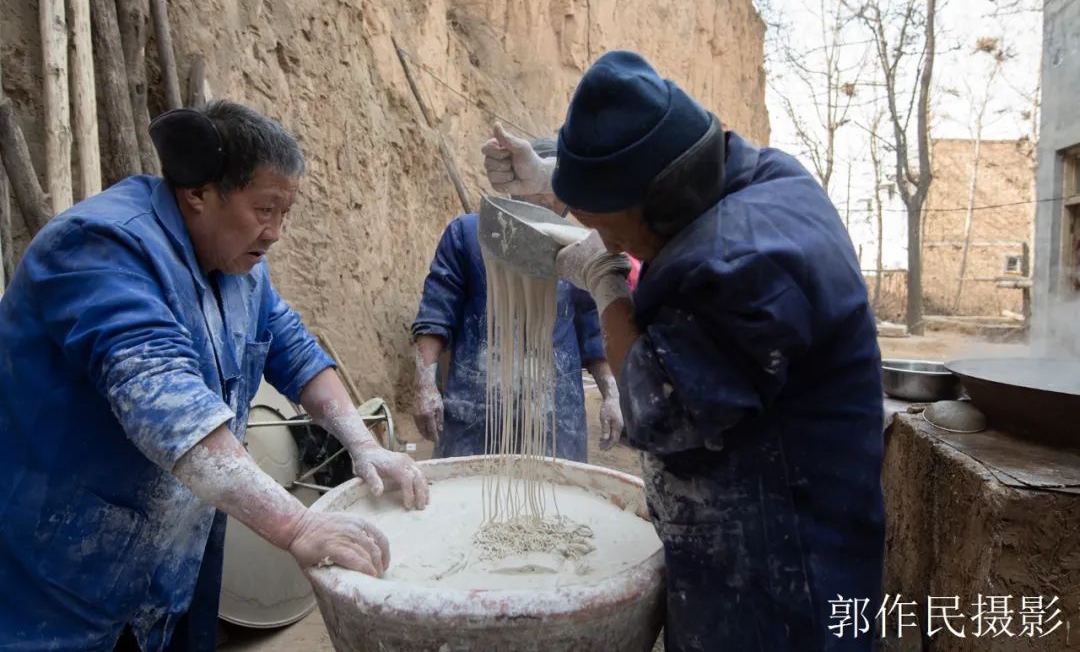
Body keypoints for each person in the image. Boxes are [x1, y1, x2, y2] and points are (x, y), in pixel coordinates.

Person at [484, 51, 884, 651]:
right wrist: (557, 178)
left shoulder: (746, 267)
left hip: (781, 576)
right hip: (748, 533)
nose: (611, 243)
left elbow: (656, 409)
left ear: (666, 200)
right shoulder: (749, 173)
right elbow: (645, 176)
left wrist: (605, 278)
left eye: (613, 231)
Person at [0, 101, 429, 652]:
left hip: (171, 559)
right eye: (265, 209)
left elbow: (295, 351)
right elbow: (168, 407)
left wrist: (364, 444)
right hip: (62, 567)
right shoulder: (100, 246)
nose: (275, 232)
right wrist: (298, 528)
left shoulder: (240, 268)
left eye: (285, 213)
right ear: (198, 194)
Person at [411, 135, 623, 462]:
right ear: (514, 186)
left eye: (556, 192)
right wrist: (425, 386)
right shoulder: (470, 235)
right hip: (478, 411)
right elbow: (436, 316)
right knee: (469, 497)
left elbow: (594, 335)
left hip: (555, 417)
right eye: (539, 187)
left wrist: (612, 395)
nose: (547, 201)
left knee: (557, 501)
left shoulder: (579, 250)